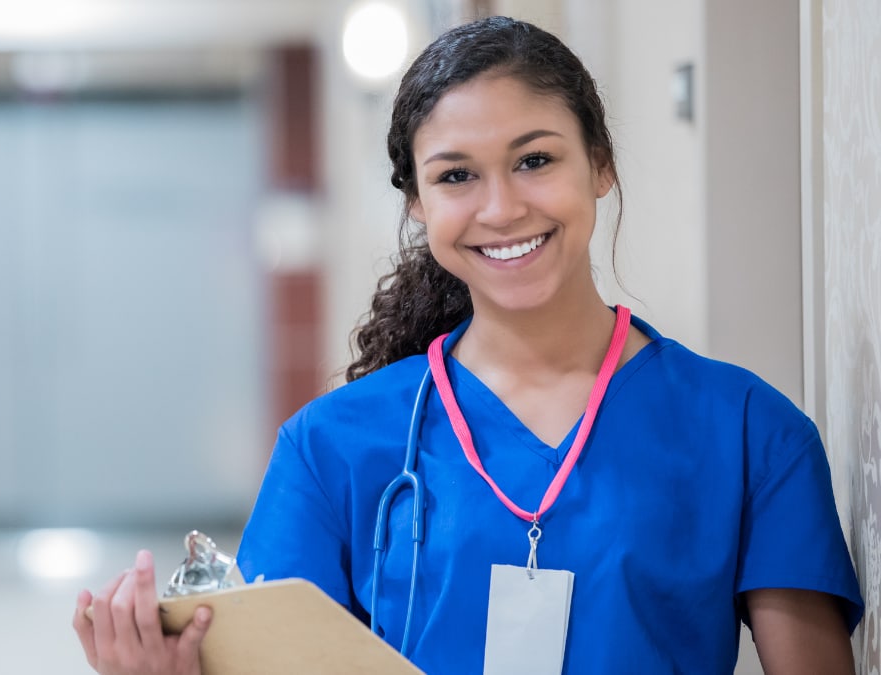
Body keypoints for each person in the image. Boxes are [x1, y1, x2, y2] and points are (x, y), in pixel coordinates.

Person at [73, 16, 863, 674]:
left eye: (535, 160)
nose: (502, 206)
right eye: (456, 177)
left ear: (601, 166)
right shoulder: (330, 448)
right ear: (417, 203)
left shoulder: (753, 432)